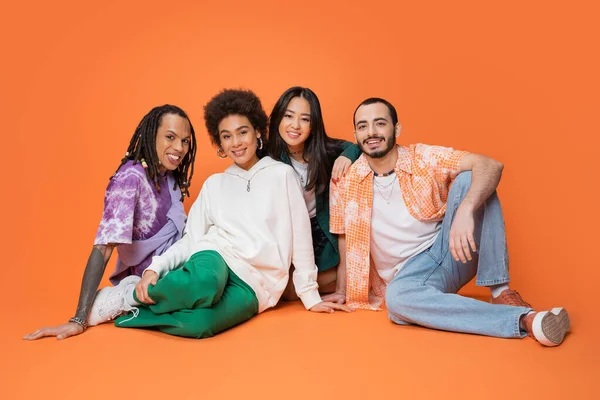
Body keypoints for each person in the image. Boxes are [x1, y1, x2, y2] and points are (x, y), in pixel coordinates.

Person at [84, 89, 352, 339]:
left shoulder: (283, 175)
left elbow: (302, 236)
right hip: (216, 257)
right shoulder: (214, 184)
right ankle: (125, 297)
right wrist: (156, 268)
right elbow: (191, 239)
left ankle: (131, 310)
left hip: (259, 283)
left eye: (242, 132)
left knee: (201, 325)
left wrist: (310, 295)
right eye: (226, 136)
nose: (236, 142)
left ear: (258, 133)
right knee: (204, 282)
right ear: (220, 144)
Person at [328, 97, 570, 346]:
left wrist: (466, 210)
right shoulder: (346, 180)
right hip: (408, 278)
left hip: (451, 252)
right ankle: (528, 320)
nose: (371, 133)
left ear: (396, 129)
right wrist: (342, 290)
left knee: (470, 179)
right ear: (355, 134)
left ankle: (500, 291)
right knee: (397, 300)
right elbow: (344, 238)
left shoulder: (423, 157)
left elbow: (490, 165)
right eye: (363, 126)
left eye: (380, 124)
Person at [23, 104, 197, 340]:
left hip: (178, 260)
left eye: (185, 141)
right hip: (153, 277)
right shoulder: (130, 177)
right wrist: (79, 319)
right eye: (170, 137)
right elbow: (104, 248)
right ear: (152, 134)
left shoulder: (170, 174)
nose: (179, 148)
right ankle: (121, 298)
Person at [267, 86, 361, 298]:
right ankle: (311, 290)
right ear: (278, 119)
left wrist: (347, 156)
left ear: (313, 125)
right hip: (285, 234)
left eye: (305, 119)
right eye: (288, 116)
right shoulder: (267, 156)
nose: (295, 125)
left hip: (319, 231)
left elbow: (359, 146)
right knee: (280, 284)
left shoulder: (324, 151)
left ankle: (325, 288)